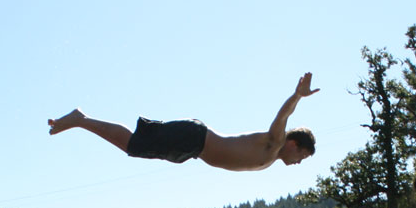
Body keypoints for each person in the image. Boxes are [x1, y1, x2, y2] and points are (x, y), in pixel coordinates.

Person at [48, 73, 318, 171]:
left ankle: (81, 120)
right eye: (302, 156)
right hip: (194, 139)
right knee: (132, 144)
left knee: (133, 145)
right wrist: (297, 96)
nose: (299, 163)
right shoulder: (275, 143)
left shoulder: (270, 157)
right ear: (293, 143)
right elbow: (283, 117)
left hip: (192, 148)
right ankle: (81, 119)